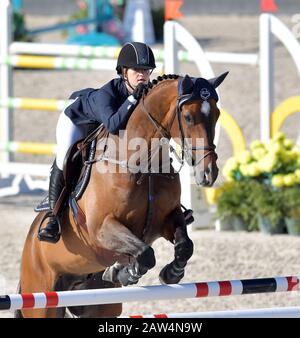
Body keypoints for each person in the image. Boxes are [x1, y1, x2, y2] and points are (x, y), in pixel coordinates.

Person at [38, 42, 156, 243]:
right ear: (124, 72)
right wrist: (132, 100)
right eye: (137, 70)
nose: (142, 75)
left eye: (146, 70)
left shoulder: (145, 91)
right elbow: (112, 125)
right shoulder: (107, 93)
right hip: (76, 120)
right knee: (65, 158)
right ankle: (53, 216)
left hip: (102, 124)